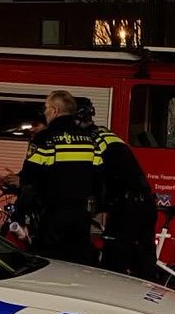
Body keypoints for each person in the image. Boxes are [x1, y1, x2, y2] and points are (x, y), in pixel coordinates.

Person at [74, 96, 157, 281]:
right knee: (143, 259)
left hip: (128, 207)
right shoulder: (105, 134)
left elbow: (92, 175)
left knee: (113, 262)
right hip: (143, 202)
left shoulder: (90, 140)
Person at [16, 90, 100, 264]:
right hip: (81, 217)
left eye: (46, 108)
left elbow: (30, 180)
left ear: (54, 111)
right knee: (77, 263)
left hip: (53, 216)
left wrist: (20, 213)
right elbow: (97, 176)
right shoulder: (89, 139)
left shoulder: (45, 138)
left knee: (49, 264)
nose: (45, 112)